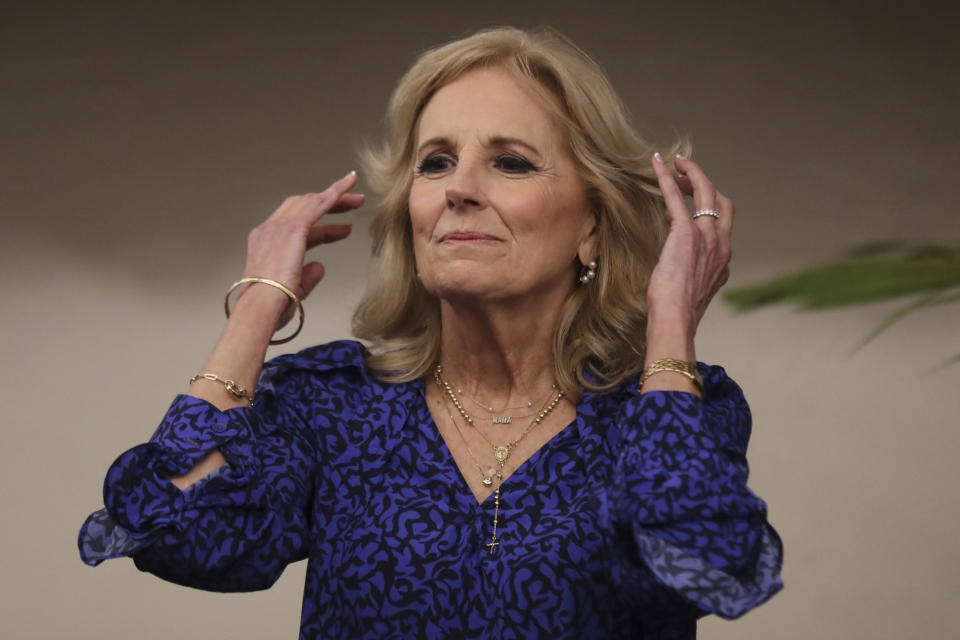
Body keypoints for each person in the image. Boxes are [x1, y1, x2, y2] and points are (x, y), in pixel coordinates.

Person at [78, 26, 782, 639]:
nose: (458, 188)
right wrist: (258, 305)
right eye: (435, 161)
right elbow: (171, 526)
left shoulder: (671, 412)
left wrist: (669, 328)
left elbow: (708, 562)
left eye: (510, 162)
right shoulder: (333, 405)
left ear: (591, 226)